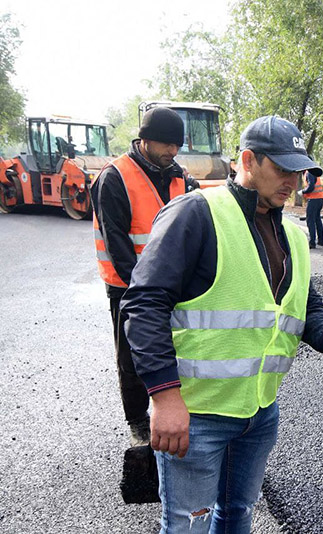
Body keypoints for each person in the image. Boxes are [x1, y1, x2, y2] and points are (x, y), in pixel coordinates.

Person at [120, 115, 323, 533]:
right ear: (248, 160)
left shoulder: (292, 234)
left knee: (238, 513)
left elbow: (302, 303)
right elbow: (144, 304)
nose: (292, 180)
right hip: (196, 414)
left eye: (298, 170)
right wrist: (164, 397)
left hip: (259, 413)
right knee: (188, 526)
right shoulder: (196, 214)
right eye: (281, 168)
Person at [90, 107, 198, 447]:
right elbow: (118, 245)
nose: (172, 151)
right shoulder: (115, 178)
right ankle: (138, 421)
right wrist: (145, 293)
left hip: (172, 286)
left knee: (176, 347)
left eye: (177, 145)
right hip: (127, 287)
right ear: (145, 140)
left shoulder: (179, 176)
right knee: (132, 358)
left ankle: (175, 407)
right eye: (166, 144)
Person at [302, 169, 323, 248]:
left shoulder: (309, 173)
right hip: (320, 198)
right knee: (317, 219)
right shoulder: (314, 171)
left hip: (313, 199)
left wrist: (303, 191)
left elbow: (311, 186)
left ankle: (312, 242)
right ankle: (321, 240)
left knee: (310, 220)